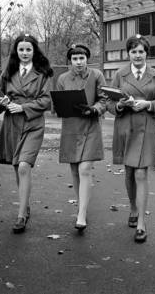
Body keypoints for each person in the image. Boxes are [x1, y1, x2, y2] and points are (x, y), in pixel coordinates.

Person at [106, 35, 155, 243]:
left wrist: (147, 105)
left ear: (146, 53)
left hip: (145, 127)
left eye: (141, 51)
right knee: (129, 172)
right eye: (133, 51)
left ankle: (141, 222)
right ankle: (132, 208)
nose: (137, 55)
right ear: (128, 53)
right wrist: (120, 106)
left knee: (141, 173)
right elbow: (109, 102)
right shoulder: (120, 74)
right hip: (125, 127)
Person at [0, 33, 53, 234]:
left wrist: (23, 107)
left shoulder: (42, 73)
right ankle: (25, 205)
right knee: (17, 167)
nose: (25, 53)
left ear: (34, 51)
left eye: (29, 49)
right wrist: (2, 103)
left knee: (23, 166)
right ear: (16, 51)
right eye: (21, 49)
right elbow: (0, 96)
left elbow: (46, 101)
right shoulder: (8, 72)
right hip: (12, 125)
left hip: (33, 124)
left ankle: (21, 216)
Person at [56, 44, 106, 232]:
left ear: (87, 59)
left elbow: (104, 99)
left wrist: (95, 109)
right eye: (75, 59)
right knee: (75, 171)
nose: (79, 62)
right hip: (70, 128)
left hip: (91, 126)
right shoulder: (62, 78)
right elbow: (58, 103)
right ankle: (81, 205)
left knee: (85, 168)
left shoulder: (97, 75)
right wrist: (61, 107)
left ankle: (82, 215)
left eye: (82, 58)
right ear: (70, 61)